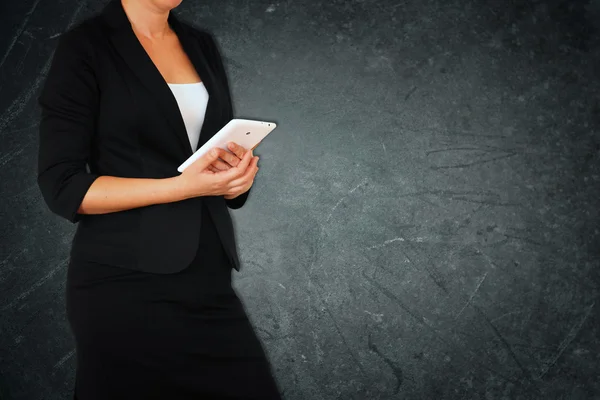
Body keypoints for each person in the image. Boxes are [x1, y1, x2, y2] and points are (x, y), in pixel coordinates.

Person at [36, 0, 282, 398]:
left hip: (208, 276)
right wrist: (185, 187)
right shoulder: (86, 47)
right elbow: (63, 186)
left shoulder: (200, 44)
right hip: (124, 286)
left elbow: (210, 155)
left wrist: (235, 181)